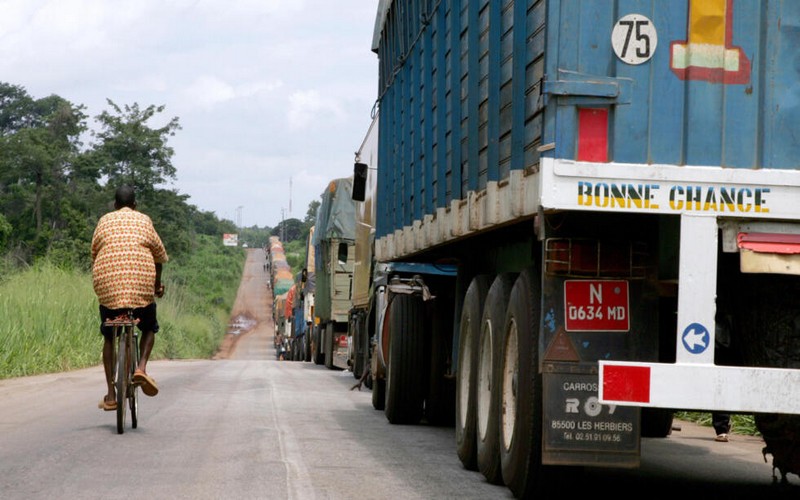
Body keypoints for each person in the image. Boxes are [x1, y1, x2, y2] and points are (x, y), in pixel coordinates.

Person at [91, 185, 169, 411]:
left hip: (109, 290)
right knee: (148, 327)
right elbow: (159, 257)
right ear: (135, 205)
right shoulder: (144, 220)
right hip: (140, 289)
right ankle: (141, 368)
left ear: (115, 205)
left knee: (108, 337)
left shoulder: (104, 221)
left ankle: (110, 394)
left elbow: (95, 254)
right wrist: (156, 285)